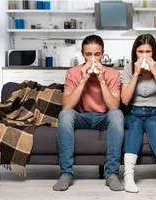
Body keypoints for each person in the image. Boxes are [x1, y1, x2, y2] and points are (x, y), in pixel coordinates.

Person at [53, 34, 125, 192]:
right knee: (65, 115)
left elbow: (114, 106)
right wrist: (83, 80)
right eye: (88, 54)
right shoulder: (73, 73)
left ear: (103, 53)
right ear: (82, 54)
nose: (93, 59)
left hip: (103, 118)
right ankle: (66, 173)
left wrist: (102, 81)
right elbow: (67, 106)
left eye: (97, 54)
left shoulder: (113, 74)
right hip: (82, 117)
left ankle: (112, 174)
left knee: (117, 114)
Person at [120, 33, 156, 193]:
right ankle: (128, 176)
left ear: (154, 53)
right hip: (134, 113)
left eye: (148, 52)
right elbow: (124, 100)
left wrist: (155, 72)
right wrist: (136, 74)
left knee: (151, 123)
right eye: (140, 52)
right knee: (136, 124)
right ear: (135, 53)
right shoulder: (128, 69)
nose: (144, 55)